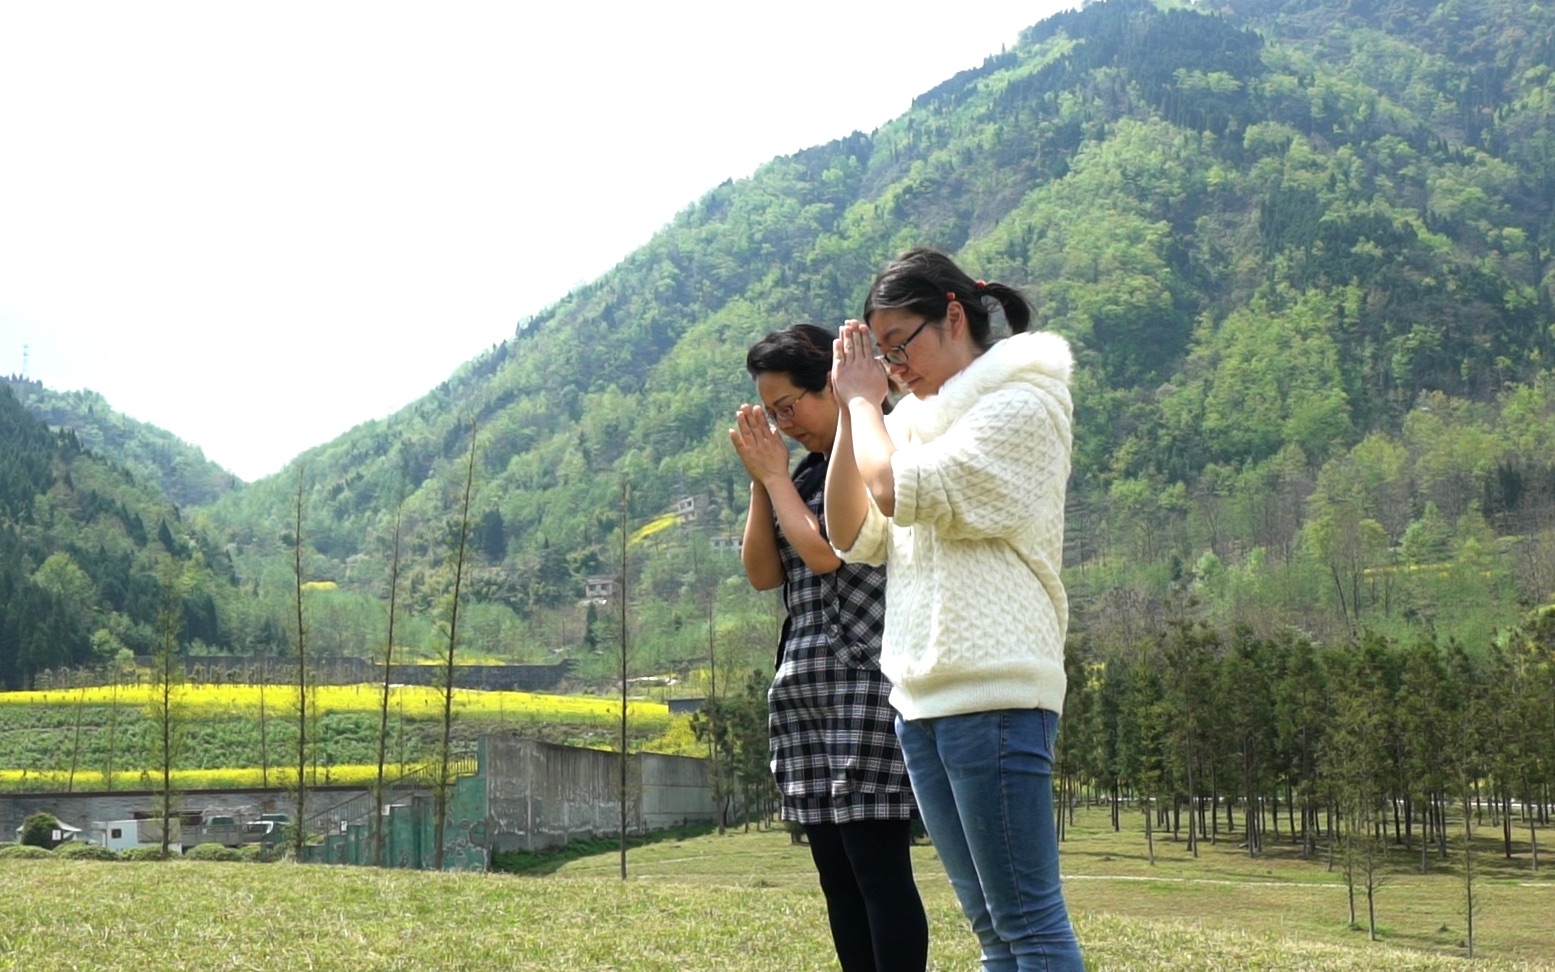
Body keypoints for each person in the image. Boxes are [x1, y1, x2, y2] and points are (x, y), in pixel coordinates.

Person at [825, 248, 1085, 971]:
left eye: (900, 346)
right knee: (994, 933)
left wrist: (857, 404)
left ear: (951, 314)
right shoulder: (904, 423)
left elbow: (899, 492)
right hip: (922, 701)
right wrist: (859, 413)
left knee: (1029, 926)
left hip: (995, 690)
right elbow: (852, 534)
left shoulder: (1023, 401)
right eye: (879, 353)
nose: (893, 366)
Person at [729, 323, 928, 972]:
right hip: (806, 691)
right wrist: (766, 479)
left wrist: (777, 481)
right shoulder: (800, 472)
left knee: (876, 870)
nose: (785, 424)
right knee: (836, 877)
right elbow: (763, 572)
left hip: (865, 685)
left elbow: (823, 554)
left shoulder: (879, 452)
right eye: (772, 413)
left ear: (833, 386)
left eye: (792, 405)